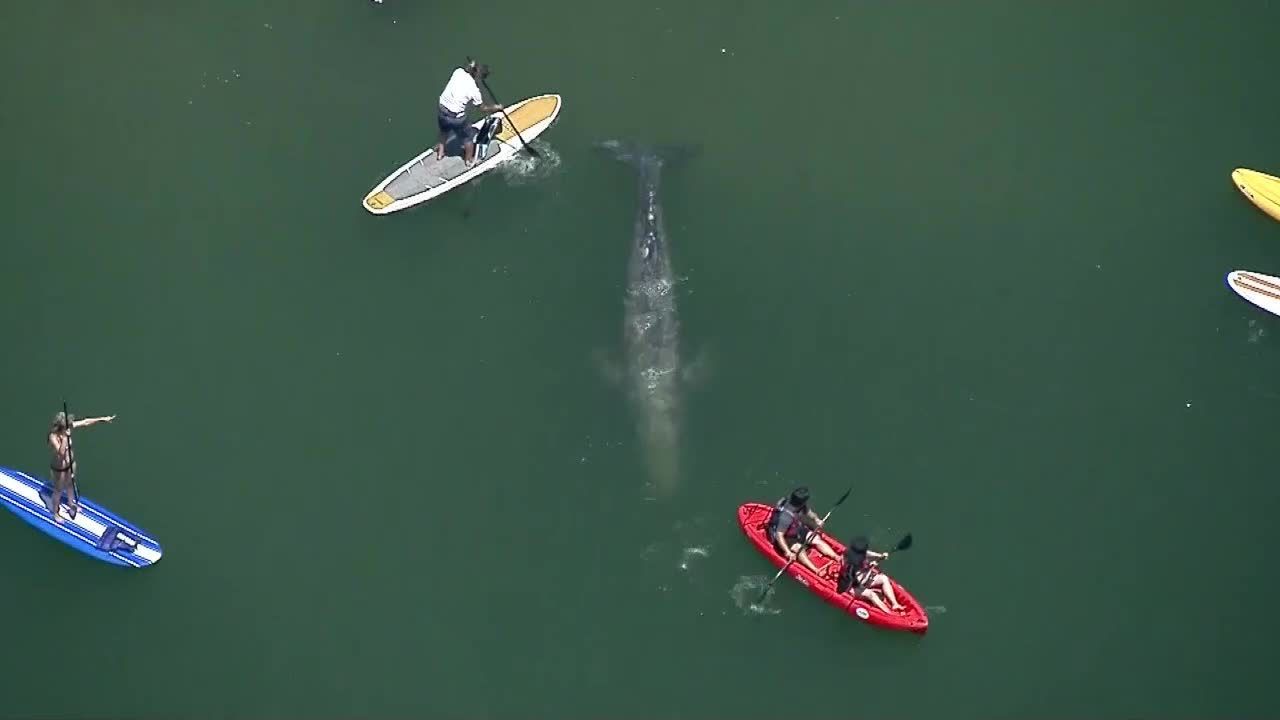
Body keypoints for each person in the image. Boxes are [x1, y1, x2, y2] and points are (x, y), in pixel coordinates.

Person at [47, 410, 115, 524]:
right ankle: (55, 513)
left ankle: (71, 504)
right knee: (58, 490)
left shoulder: (68, 427)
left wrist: (102, 419)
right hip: (60, 468)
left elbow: (85, 422)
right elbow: (61, 453)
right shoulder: (53, 436)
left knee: (70, 485)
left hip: (71, 464)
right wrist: (65, 438)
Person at [434, 60, 504, 166]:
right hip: (456, 117)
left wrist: (472, 64)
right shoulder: (474, 90)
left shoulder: (458, 72)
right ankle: (469, 160)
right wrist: (496, 108)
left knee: (444, 132)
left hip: (442, 110)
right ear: (479, 78)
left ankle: (440, 154)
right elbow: (483, 108)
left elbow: (467, 67)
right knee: (468, 138)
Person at [766, 486, 842, 574]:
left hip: (795, 529)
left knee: (815, 538)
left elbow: (809, 513)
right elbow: (779, 535)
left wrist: (816, 519)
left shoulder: (801, 505)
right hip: (786, 537)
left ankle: (836, 557)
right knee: (799, 549)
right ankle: (816, 570)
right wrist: (788, 552)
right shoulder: (785, 517)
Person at [835, 535, 906, 613]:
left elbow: (868, 554)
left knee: (884, 578)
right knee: (872, 595)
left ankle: (895, 604)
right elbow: (856, 580)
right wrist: (869, 567)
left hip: (864, 580)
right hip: (851, 587)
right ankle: (889, 614)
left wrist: (881, 556)